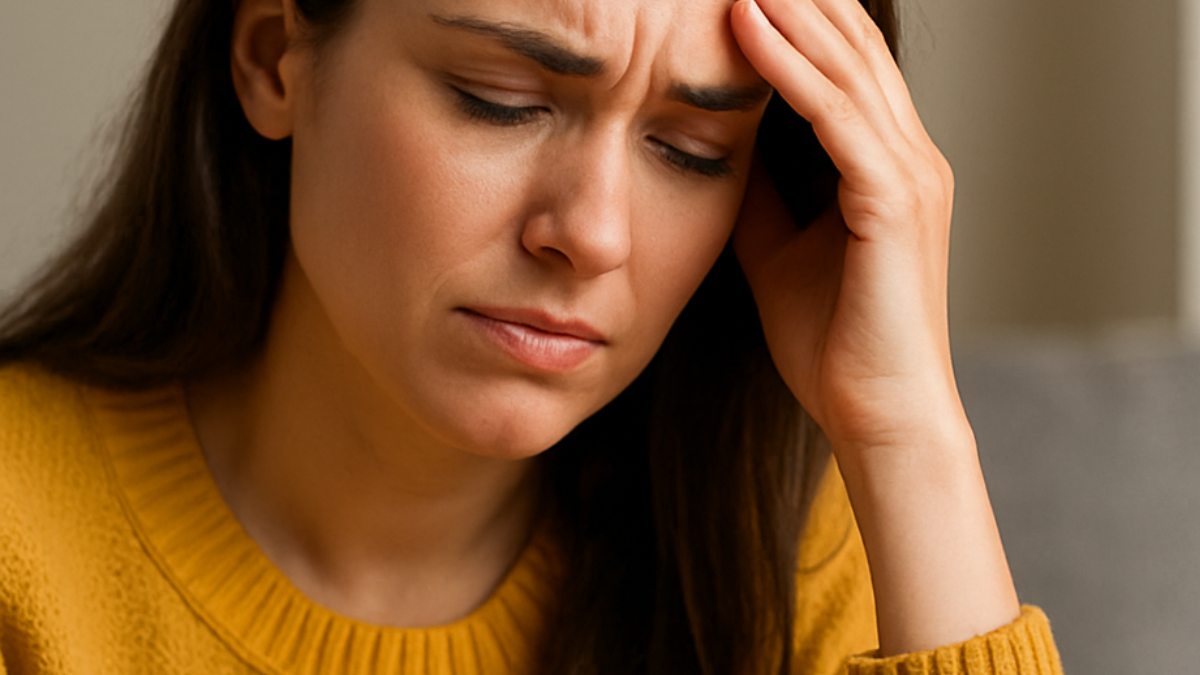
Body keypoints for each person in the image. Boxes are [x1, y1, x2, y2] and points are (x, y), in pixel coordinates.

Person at [0, 0, 1063, 672]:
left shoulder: (779, 544)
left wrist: (908, 436)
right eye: (499, 100)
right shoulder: (23, 537)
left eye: (692, 150)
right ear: (276, 58)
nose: (593, 235)